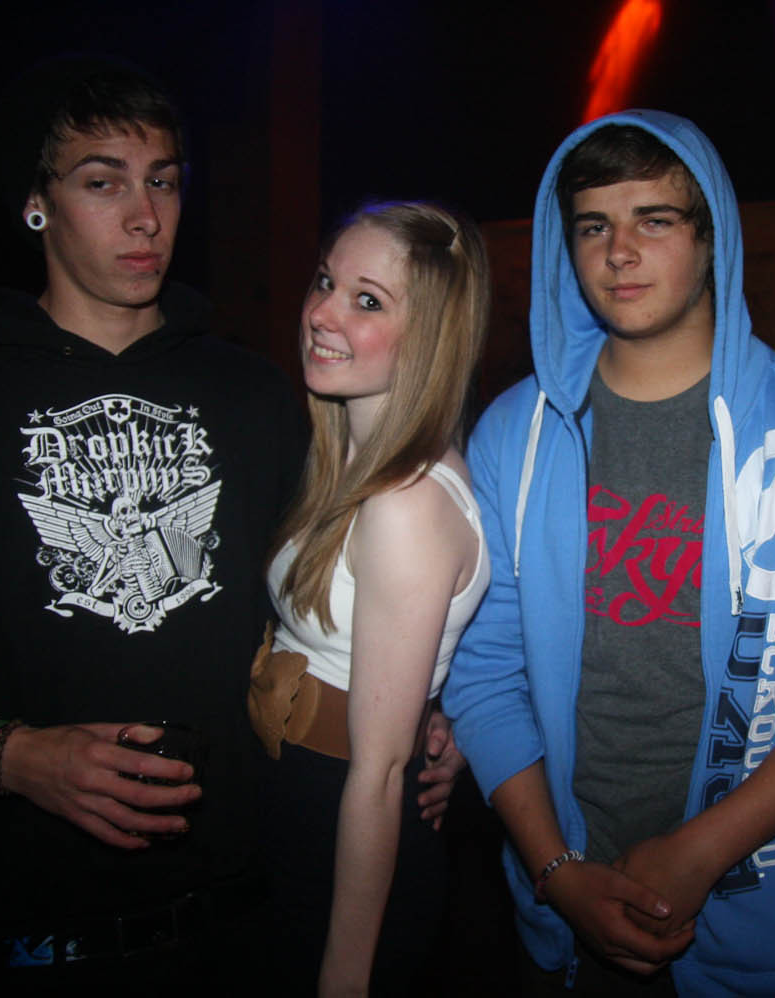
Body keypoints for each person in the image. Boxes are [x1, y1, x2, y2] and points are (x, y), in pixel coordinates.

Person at [0, 62, 458, 989]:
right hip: (24, 929)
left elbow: (344, 598)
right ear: (37, 204)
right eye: (102, 181)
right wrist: (9, 753)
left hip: (251, 923)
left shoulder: (258, 397)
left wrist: (431, 712)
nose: (144, 216)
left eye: (161, 180)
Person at [442, 111, 775, 995]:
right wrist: (556, 872)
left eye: (653, 220)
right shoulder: (513, 434)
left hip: (768, 919)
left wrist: (698, 852)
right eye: (593, 226)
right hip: (564, 911)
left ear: (712, 235)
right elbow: (486, 673)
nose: (619, 252)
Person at [246, 200, 491, 996]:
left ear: (428, 338)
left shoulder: (403, 503)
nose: (322, 314)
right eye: (325, 282)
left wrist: (345, 976)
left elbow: (381, 773)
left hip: (346, 830)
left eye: (367, 300)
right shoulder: (353, 464)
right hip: (302, 806)